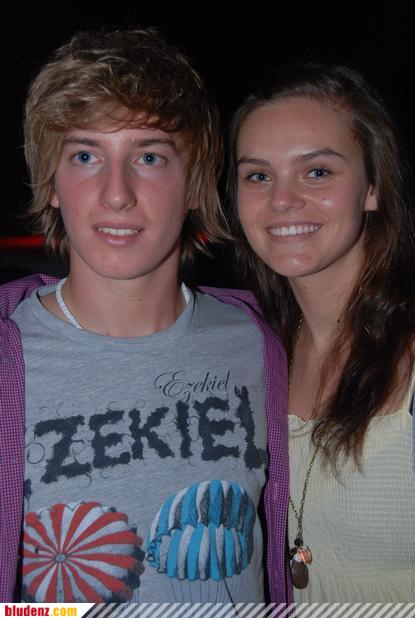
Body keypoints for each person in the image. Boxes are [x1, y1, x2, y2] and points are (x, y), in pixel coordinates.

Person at [0, 29, 290, 603]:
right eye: (85, 156)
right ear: (52, 183)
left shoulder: (263, 343)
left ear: (194, 184)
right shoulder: (10, 360)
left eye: (149, 157)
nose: (116, 194)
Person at [228, 62, 415, 602]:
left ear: (373, 187)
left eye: (317, 171)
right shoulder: (257, 353)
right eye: (258, 175)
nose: (281, 200)